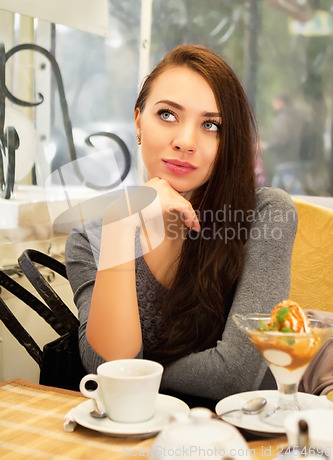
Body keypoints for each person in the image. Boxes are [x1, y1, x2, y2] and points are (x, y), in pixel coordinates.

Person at [65, 44, 298, 409]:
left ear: (227, 141)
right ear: (138, 120)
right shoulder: (90, 239)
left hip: (248, 432)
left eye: (210, 125)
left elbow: (234, 375)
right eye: (168, 115)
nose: (186, 142)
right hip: (140, 432)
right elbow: (106, 364)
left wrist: (135, 374)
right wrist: (122, 224)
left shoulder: (266, 213)